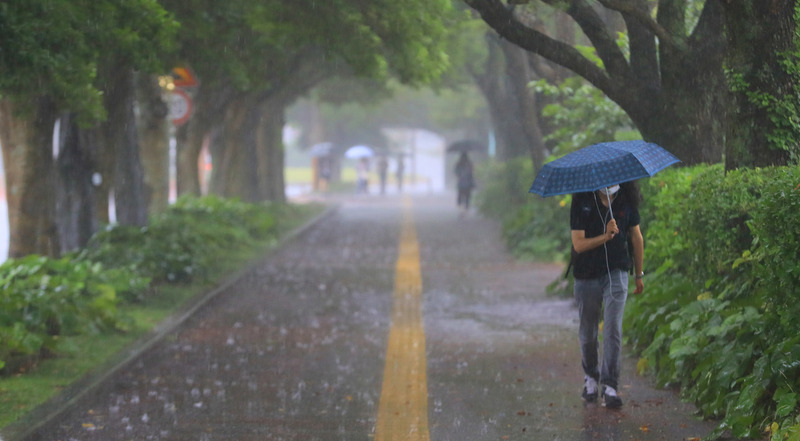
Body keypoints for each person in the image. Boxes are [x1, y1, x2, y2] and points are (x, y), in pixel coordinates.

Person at [569, 181, 644, 409]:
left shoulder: (626, 200)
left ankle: (610, 386)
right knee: (589, 332)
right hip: (586, 275)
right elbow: (578, 244)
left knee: (613, 330)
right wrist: (605, 236)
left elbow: (636, 238)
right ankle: (591, 377)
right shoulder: (582, 199)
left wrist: (638, 274)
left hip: (616, 273)